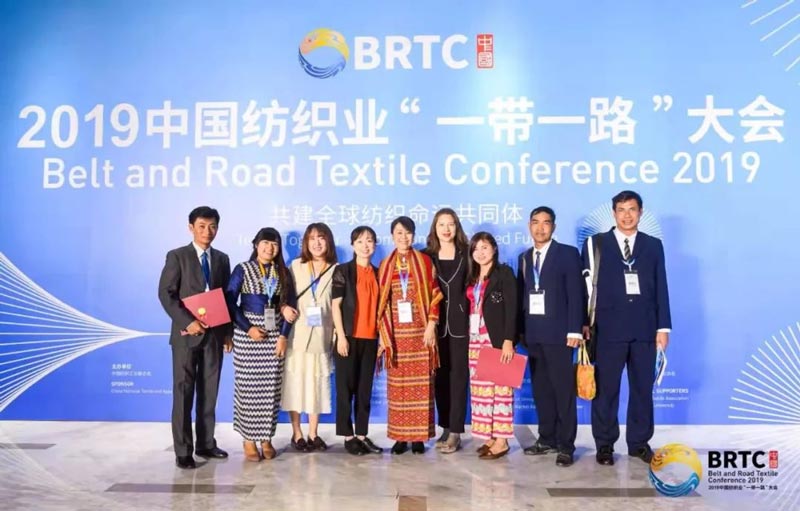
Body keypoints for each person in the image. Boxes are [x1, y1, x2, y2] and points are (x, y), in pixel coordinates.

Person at [582, 190, 671, 466]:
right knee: (606, 391)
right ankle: (604, 444)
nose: (627, 215)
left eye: (632, 209)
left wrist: (663, 327)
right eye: (621, 210)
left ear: (640, 212)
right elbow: (585, 289)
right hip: (608, 330)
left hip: (644, 329)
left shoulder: (653, 245)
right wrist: (584, 324)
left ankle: (639, 443)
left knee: (642, 389)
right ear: (613, 213)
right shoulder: (596, 244)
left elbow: (661, 286)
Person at [158, 206, 232, 470]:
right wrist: (188, 322)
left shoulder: (222, 259)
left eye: (212, 226)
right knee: (183, 393)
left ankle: (206, 444)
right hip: (186, 337)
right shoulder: (177, 256)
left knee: (209, 392)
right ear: (191, 227)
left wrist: (227, 333)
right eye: (202, 226)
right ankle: (183, 450)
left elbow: (226, 298)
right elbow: (166, 294)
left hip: (214, 336)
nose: (207, 231)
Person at [517, 207, 583, 467]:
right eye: (535, 222)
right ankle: (547, 438)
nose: (540, 227)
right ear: (529, 226)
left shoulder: (567, 254)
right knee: (541, 390)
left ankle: (566, 445)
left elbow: (576, 294)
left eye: (546, 223)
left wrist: (575, 329)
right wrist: (520, 332)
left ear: (553, 227)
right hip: (533, 335)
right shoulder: (524, 258)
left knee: (563, 392)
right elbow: (523, 297)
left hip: (560, 335)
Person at [225, 227, 296, 461]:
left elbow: (290, 305)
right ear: (256, 244)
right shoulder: (243, 269)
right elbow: (229, 302)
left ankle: (266, 438)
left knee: (270, 390)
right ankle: (248, 440)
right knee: (248, 389)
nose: (269, 248)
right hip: (248, 335)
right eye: (265, 242)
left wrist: (283, 336)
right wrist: (248, 328)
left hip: (274, 336)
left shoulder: (283, 272)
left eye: (274, 244)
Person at [377, 216, 443, 455]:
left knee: (422, 388)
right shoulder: (385, 264)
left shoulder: (425, 261)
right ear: (392, 236)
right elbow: (382, 303)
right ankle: (400, 438)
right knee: (398, 390)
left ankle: (418, 438)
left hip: (421, 334)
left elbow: (435, 295)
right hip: (396, 337)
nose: (403, 237)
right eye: (399, 233)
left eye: (407, 233)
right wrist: (385, 336)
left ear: (413, 236)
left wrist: (431, 325)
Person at [281, 223, 337, 452]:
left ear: (328, 241)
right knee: (295, 383)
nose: (317, 243)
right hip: (297, 335)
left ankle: (313, 433)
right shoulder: (295, 266)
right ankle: (297, 433)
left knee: (317, 385)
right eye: (312, 238)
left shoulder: (337, 269)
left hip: (323, 336)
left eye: (321, 238)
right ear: (306, 242)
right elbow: (283, 295)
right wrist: (284, 307)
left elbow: (339, 305)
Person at [331, 226, 383, 456]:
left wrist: (382, 340)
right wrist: (341, 336)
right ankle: (348, 436)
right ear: (353, 245)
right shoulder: (343, 270)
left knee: (364, 390)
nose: (365, 245)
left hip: (371, 339)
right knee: (345, 389)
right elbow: (336, 306)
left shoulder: (379, 273)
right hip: (349, 338)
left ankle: (362, 435)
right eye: (360, 241)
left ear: (375, 245)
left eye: (369, 241)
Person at [466, 232, 518, 460]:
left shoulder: (504, 273)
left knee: (501, 391)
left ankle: (502, 441)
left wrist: (508, 339)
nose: (480, 253)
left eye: (485, 247)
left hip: (495, 340)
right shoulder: (472, 276)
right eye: (476, 249)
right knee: (482, 393)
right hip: (475, 341)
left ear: (494, 249)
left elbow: (512, 308)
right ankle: (490, 436)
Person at [424, 208, 470, 454]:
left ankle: (456, 432)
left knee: (459, 378)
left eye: (450, 224)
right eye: (441, 224)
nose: (446, 229)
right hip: (435, 326)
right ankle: (445, 426)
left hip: (461, 325)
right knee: (440, 378)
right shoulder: (426, 256)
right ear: (435, 227)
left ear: (456, 227)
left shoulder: (467, 253)